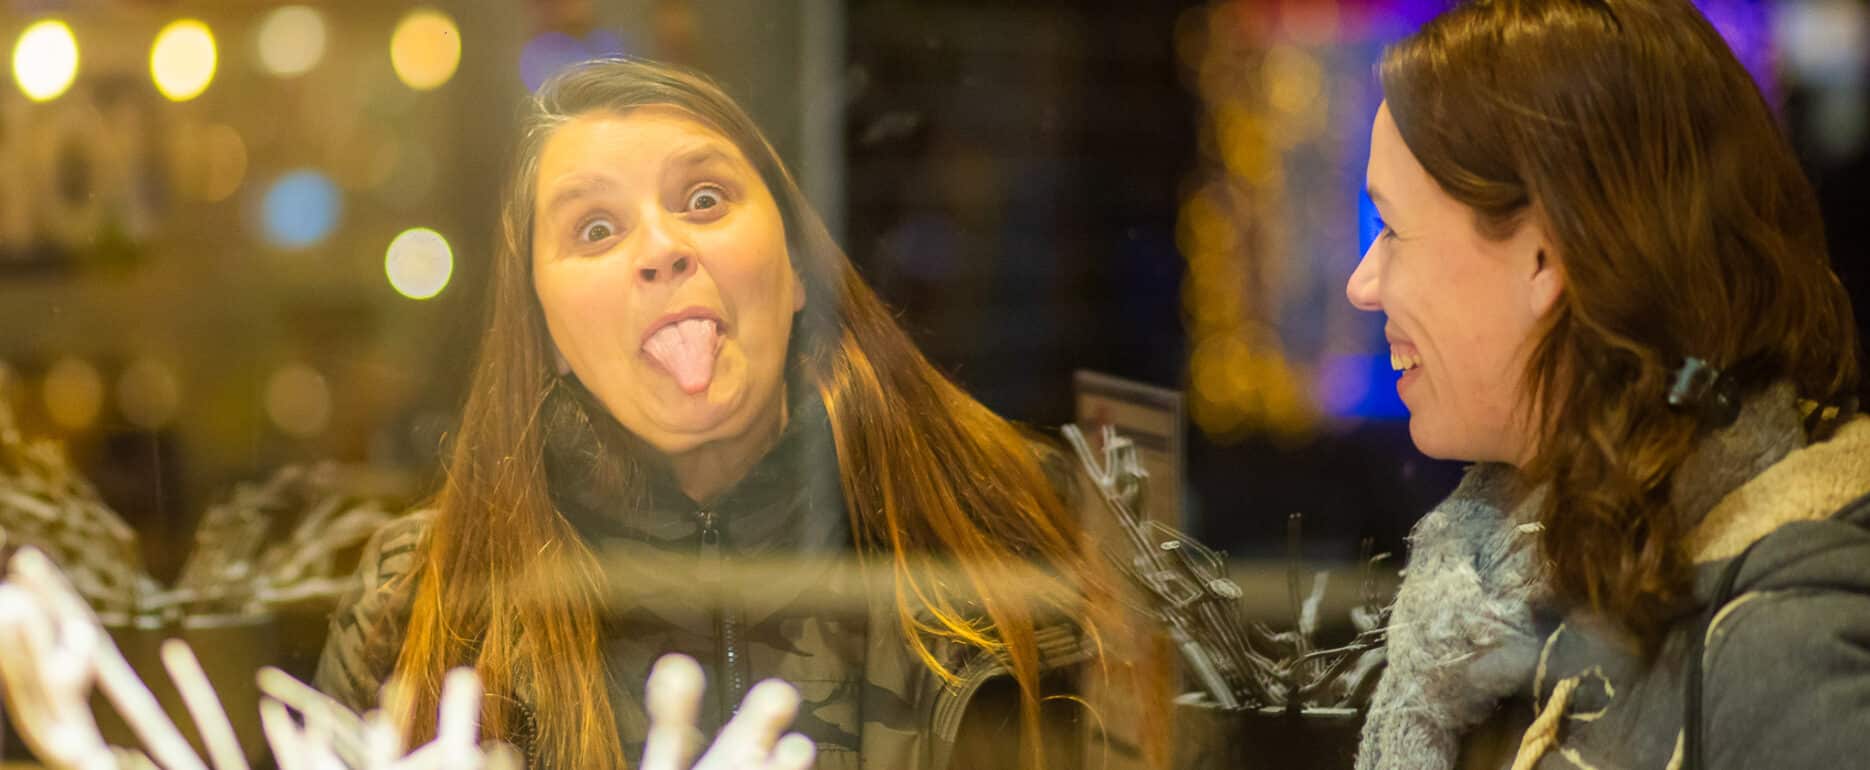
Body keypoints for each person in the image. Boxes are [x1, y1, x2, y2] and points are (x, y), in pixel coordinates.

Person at [314, 59, 1144, 770]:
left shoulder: (1032, 520)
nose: (662, 248)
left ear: (795, 269)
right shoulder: (419, 600)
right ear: (546, 331)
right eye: (596, 229)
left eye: (705, 199)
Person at [1346, 1, 1870, 768]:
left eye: (1392, 228)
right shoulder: (1532, 591)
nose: (1363, 284)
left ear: (1546, 255)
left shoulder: (1784, 647)